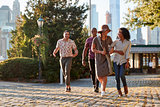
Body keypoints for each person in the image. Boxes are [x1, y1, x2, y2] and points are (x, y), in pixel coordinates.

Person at [91, 25, 113, 96]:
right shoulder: (96, 39)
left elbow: (112, 46)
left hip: (106, 58)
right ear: (102, 31)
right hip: (98, 59)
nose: (107, 32)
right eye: (106, 31)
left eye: (107, 31)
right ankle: (103, 85)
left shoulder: (109, 38)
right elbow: (92, 49)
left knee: (105, 75)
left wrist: (111, 50)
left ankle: (103, 90)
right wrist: (100, 52)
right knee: (99, 76)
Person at [110, 27, 131, 97]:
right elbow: (110, 48)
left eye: (119, 32)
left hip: (123, 61)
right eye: (118, 32)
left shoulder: (128, 42)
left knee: (121, 75)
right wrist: (115, 50)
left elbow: (127, 52)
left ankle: (125, 86)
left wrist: (127, 62)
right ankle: (119, 90)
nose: (118, 33)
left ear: (123, 34)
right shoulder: (116, 41)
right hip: (116, 61)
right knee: (116, 77)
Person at [82, 28, 99, 93]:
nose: (93, 32)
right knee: (92, 72)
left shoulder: (98, 39)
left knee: (97, 72)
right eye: (92, 31)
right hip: (91, 58)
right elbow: (85, 49)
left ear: (96, 32)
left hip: (98, 58)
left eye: (95, 31)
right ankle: (94, 84)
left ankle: (97, 86)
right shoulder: (88, 40)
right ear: (91, 32)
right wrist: (83, 59)